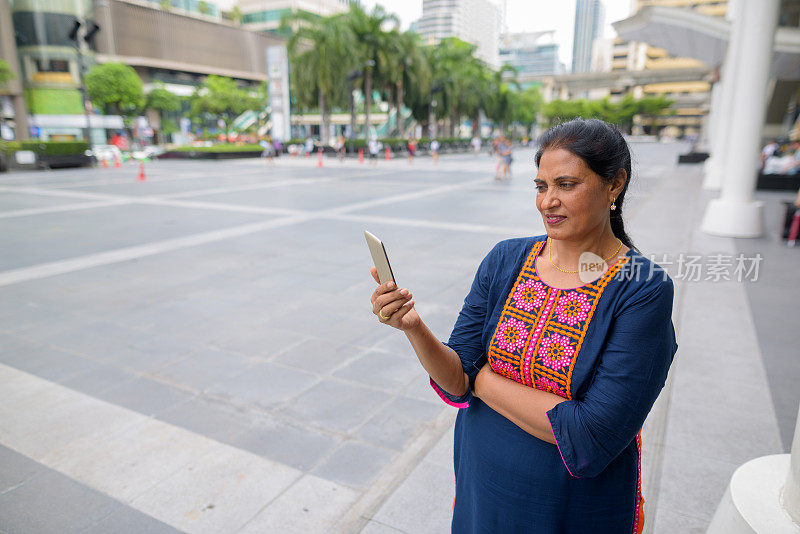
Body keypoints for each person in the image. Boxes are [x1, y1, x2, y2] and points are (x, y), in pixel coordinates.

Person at [368, 118, 678, 533]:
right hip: (484, 486)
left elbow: (590, 438)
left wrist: (480, 381)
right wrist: (413, 327)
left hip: (569, 508)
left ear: (614, 185)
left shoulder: (642, 288)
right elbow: (454, 377)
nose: (547, 201)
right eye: (541, 186)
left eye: (566, 184)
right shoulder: (506, 259)